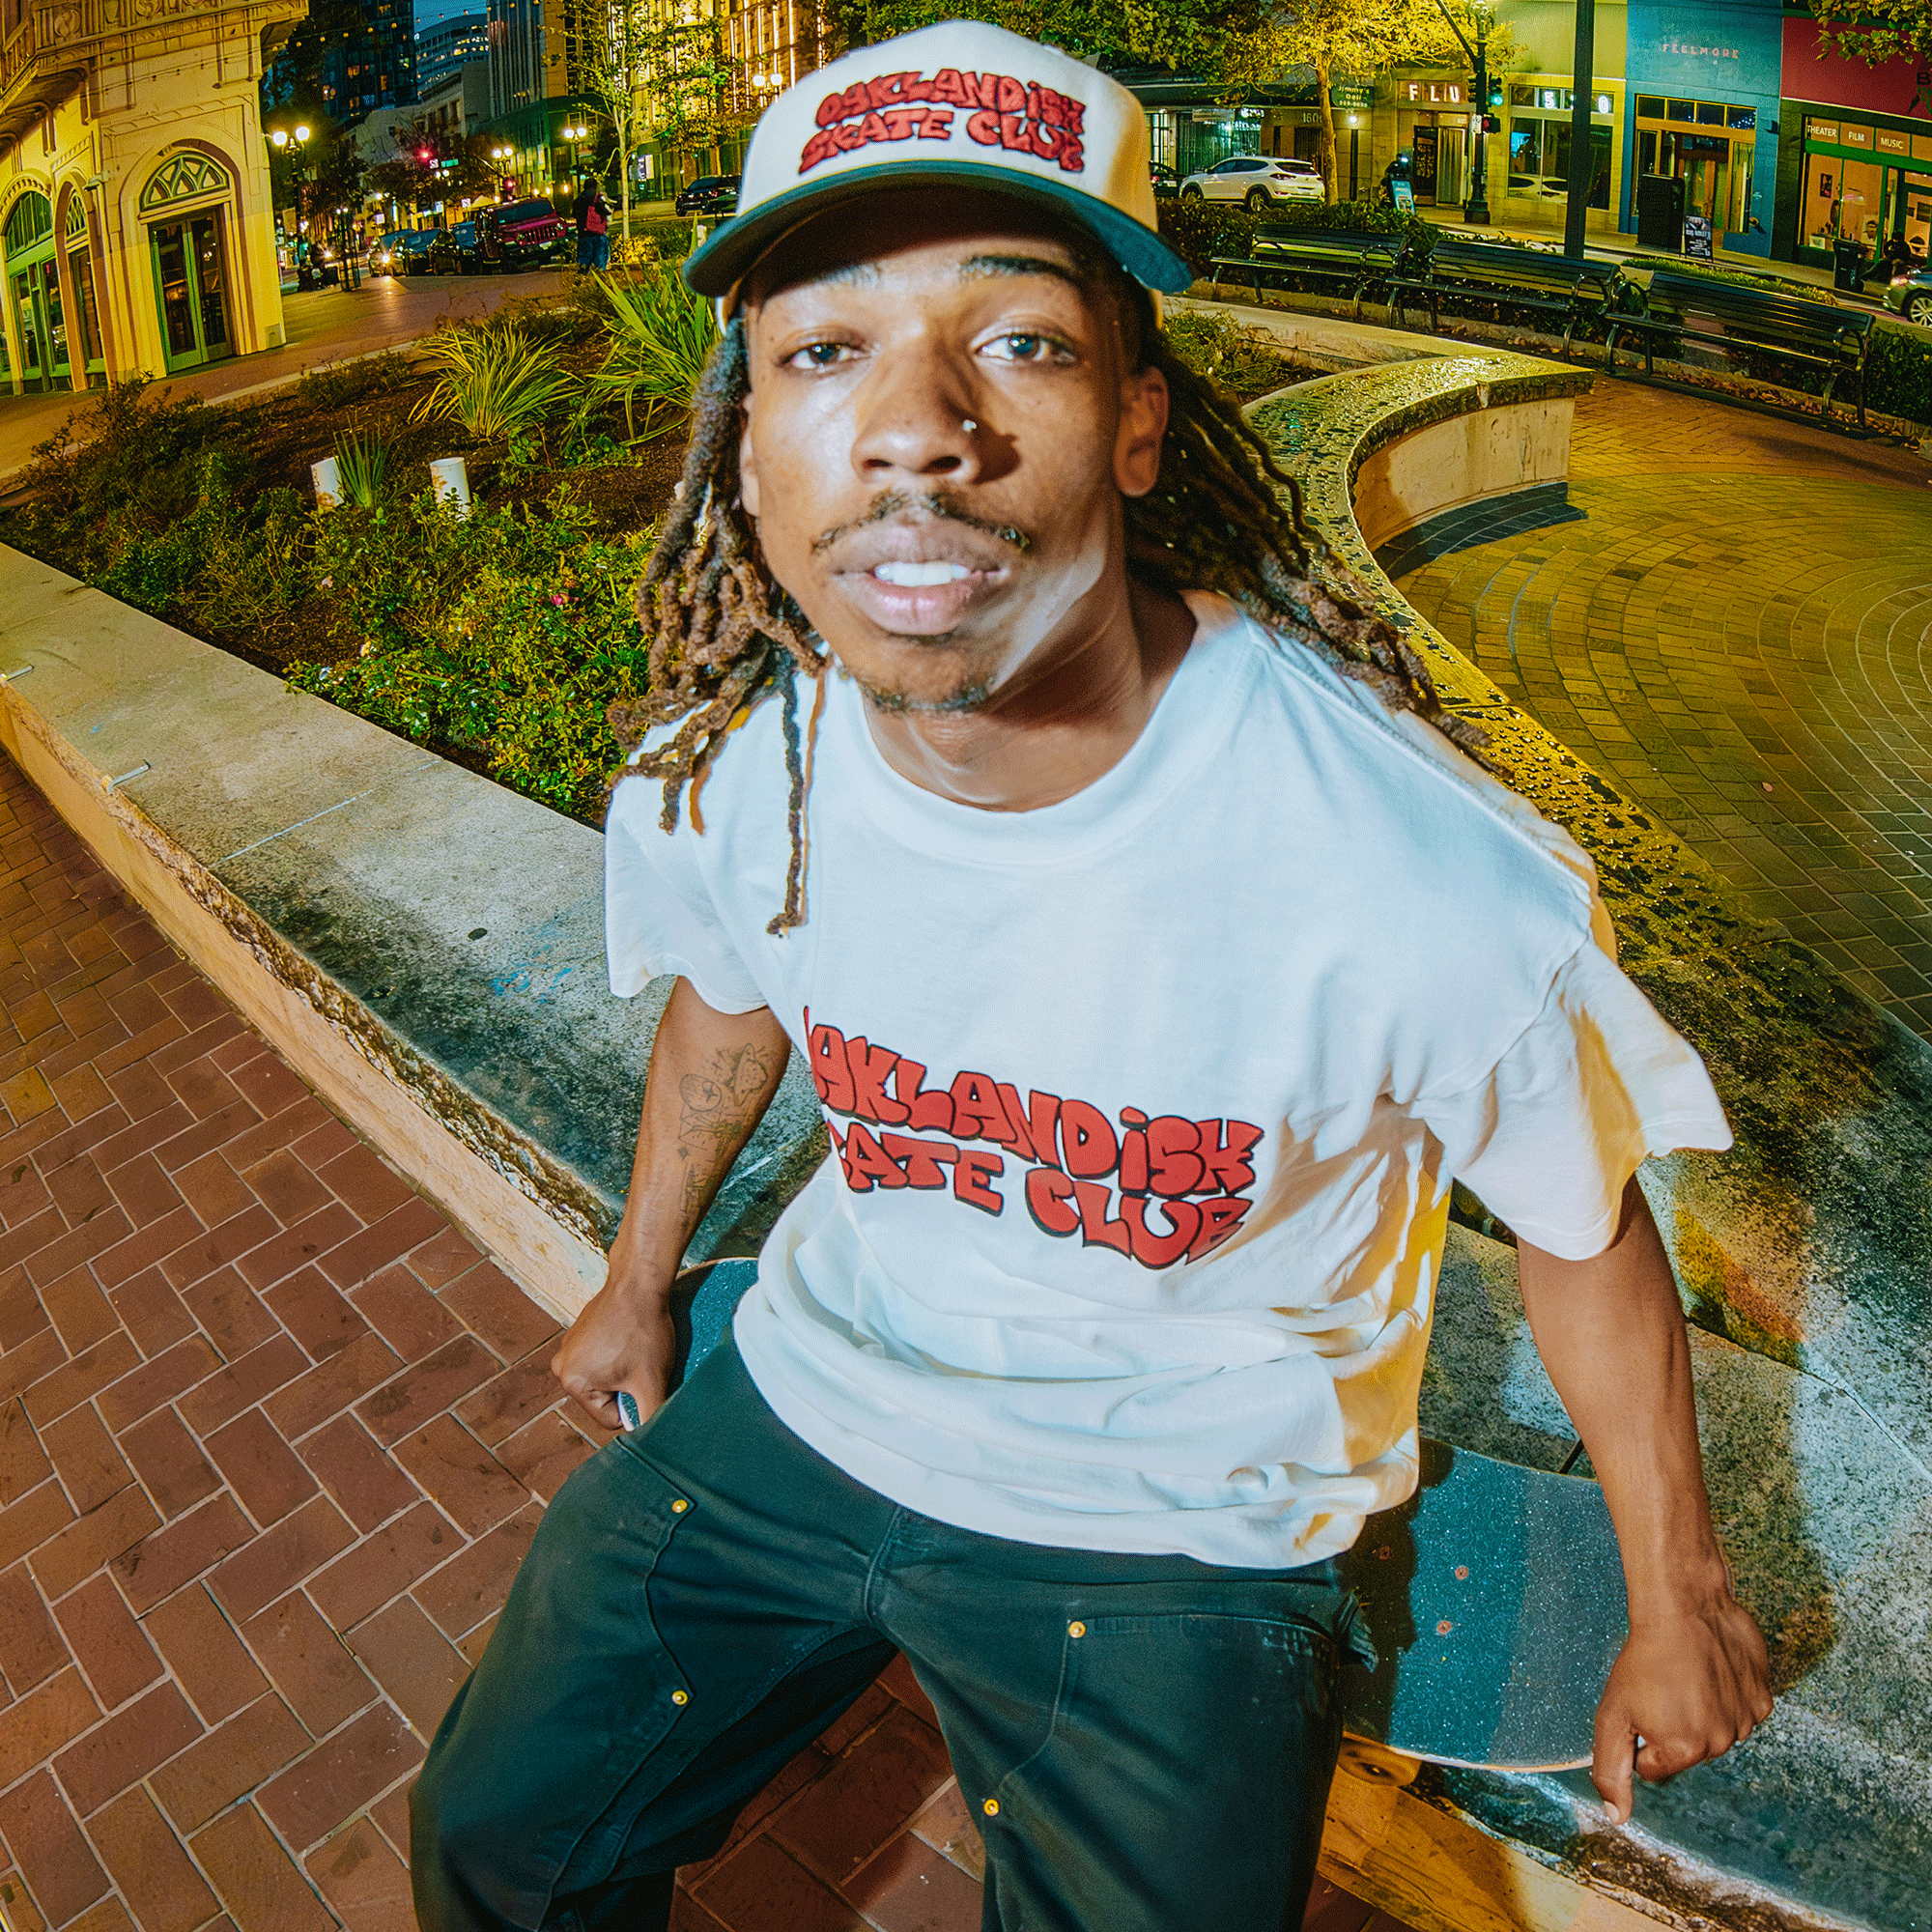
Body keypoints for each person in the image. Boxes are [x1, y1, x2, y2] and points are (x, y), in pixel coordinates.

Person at [412, 21, 1773, 1931]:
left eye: (1021, 340)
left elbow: (1578, 1222)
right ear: (748, 433)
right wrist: (637, 1283)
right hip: (808, 1399)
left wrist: (1676, 1595)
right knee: (498, 1840)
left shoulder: (1420, 879)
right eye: (823, 350)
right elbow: (727, 1006)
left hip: (1177, 1516)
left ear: (1137, 421)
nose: (914, 424)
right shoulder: (741, 780)